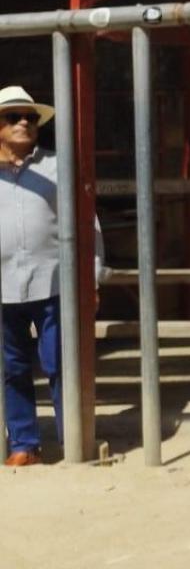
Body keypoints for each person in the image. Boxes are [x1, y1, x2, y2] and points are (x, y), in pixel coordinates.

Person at [0, 85, 105, 468]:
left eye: (30, 117)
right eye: (13, 117)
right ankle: (24, 443)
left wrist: (92, 277)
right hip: (2, 286)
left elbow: (85, 223)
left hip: (53, 281)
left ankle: (73, 439)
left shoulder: (57, 168)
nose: (24, 122)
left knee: (61, 363)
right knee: (10, 368)